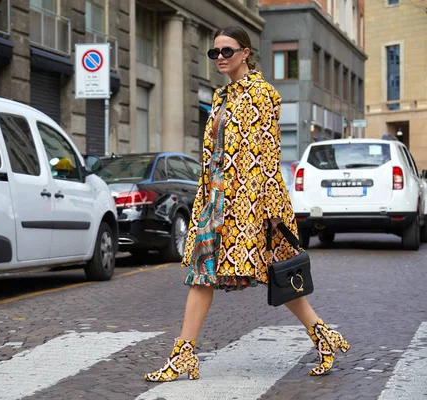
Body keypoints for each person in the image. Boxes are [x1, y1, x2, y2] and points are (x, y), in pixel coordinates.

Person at [144, 26, 350, 383]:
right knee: (201, 274)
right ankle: (184, 355)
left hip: (253, 203)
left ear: (246, 53)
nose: (220, 57)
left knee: (281, 276)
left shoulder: (262, 94)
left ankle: (323, 335)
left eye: (227, 50)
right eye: (215, 53)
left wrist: (271, 211)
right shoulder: (221, 96)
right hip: (216, 202)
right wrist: (206, 197)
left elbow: (269, 155)